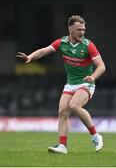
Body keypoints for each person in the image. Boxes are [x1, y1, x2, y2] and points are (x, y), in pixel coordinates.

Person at [16, 15, 106, 154]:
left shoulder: (88, 45)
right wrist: (30, 57)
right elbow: (43, 51)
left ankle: (95, 136)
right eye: (79, 29)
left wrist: (93, 76)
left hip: (86, 83)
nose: (82, 32)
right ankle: (62, 146)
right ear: (70, 29)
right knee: (62, 111)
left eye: (83, 29)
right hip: (71, 84)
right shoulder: (61, 43)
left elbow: (101, 66)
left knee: (74, 105)